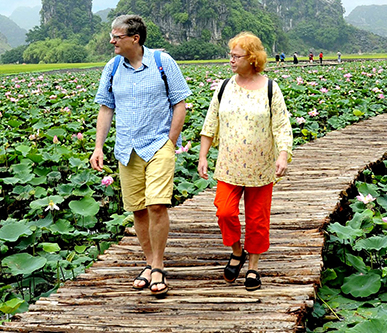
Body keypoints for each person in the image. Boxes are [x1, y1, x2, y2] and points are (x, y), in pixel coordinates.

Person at [91, 15, 192, 298]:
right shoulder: (112, 67)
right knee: (137, 209)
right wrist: (98, 147)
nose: (111, 41)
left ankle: (158, 265)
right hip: (127, 148)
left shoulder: (162, 62)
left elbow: (180, 103)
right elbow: (106, 108)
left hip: (158, 145)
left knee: (156, 205)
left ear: (135, 38)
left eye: (117, 36)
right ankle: (148, 263)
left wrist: (170, 142)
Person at [197, 32, 292, 292]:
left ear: (252, 58)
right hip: (229, 165)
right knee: (224, 212)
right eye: (230, 55)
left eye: (236, 56)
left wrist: (283, 154)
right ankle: (237, 251)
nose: (231, 60)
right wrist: (203, 155)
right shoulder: (224, 87)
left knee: (257, 219)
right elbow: (210, 123)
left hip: (261, 166)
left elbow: (282, 126)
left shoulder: (270, 88)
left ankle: (253, 267)